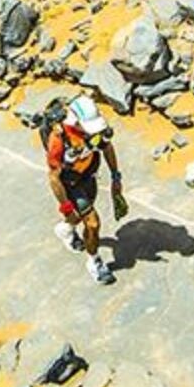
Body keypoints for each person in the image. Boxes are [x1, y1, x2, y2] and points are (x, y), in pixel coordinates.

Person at [44, 94, 126, 285]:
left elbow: (106, 147)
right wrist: (65, 206)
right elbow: (54, 177)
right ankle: (95, 262)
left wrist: (115, 176)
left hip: (88, 176)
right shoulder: (58, 139)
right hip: (71, 183)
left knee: (80, 217)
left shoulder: (93, 131)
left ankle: (66, 229)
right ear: (75, 121)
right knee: (93, 223)